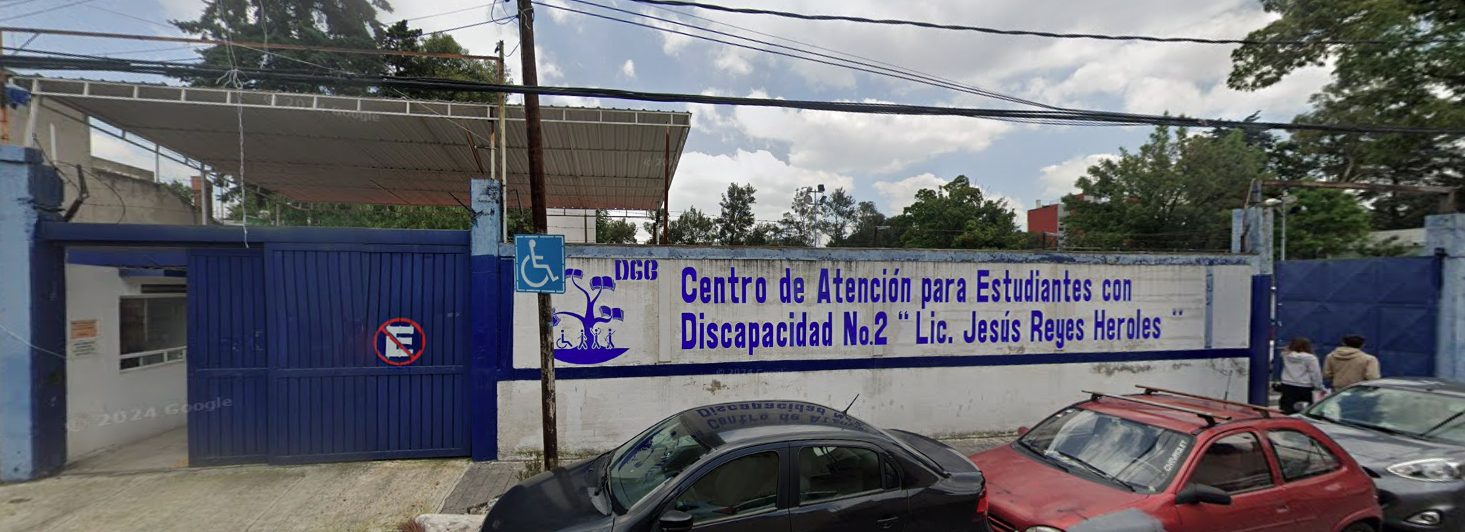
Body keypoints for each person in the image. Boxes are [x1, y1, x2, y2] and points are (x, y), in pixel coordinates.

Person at [1277, 337, 1325, 414]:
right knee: (1305, 409)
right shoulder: (1311, 358)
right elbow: (1315, 373)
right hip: (1305, 386)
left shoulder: (1285, 355)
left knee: (1287, 408)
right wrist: (1319, 386)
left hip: (1287, 384)